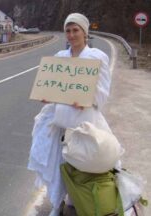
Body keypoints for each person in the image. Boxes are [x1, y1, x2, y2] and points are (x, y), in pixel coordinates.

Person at [28, 13, 113, 216]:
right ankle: (57, 205)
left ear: (85, 32)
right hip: (60, 121)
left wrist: (86, 100)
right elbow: (53, 88)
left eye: (76, 30)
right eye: (68, 30)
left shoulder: (96, 57)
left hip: (84, 121)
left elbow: (102, 92)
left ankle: (81, 200)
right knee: (58, 163)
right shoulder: (60, 58)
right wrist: (47, 96)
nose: (71, 35)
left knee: (82, 163)